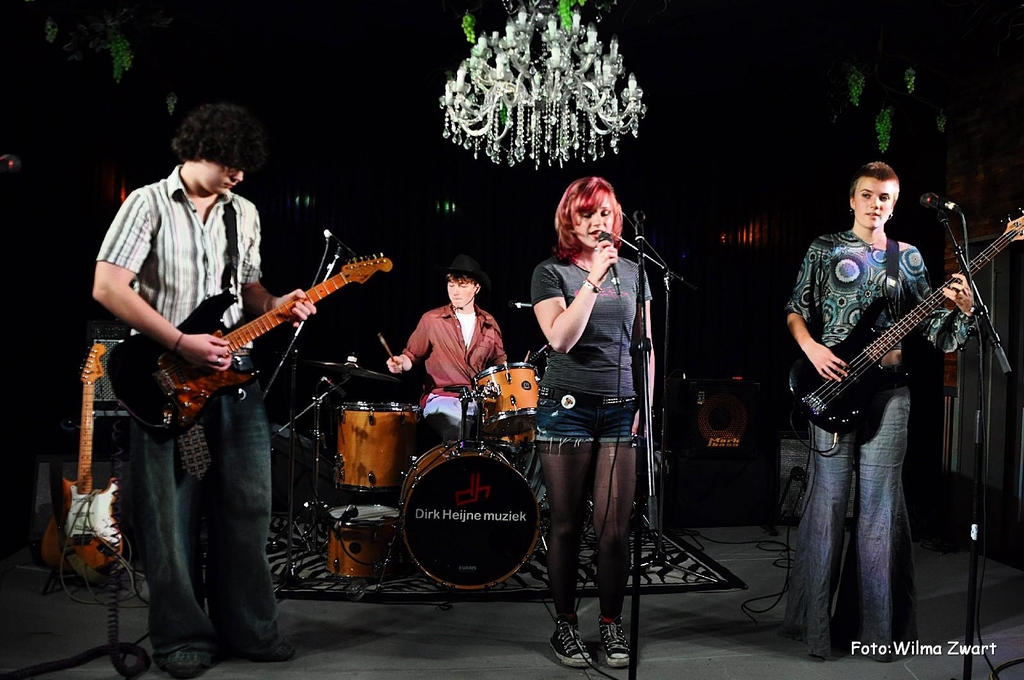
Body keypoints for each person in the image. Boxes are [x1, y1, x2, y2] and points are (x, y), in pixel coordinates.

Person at [92, 102, 314, 679]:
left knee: (249, 505)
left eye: (245, 166)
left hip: (234, 376)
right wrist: (180, 341)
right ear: (197, 150)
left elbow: (248, 290)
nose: (238, 174)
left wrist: (278, 303)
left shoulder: (246, 213)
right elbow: (108, 286)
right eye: (228, 163)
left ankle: (251, 630)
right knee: (171, 515)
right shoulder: (146, 204)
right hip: (164, 376)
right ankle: (182, 638)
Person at [780, 161, 975, 660]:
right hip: (833, 387)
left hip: (891, 393)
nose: (875, 204)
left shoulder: (907, 258)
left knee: (880, 511)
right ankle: (815, 629)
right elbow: (796, 307)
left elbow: (934, 333)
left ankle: (877, 633)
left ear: (894, 204)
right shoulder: (824, 249)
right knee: (828, 504)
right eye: (867, 194)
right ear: (852, 199)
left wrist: (960, 312)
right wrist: (811, 348)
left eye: (884, 197)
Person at [530, 176, 654, 669]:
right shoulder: (550, 273)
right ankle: (564, 623)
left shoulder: (635, 272)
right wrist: (594, 280)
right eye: (586, 214)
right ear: (569, 219)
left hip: (621, 407)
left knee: (614, 529)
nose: (597, 222)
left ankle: (610, 621)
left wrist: (645, 404)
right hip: (567, 407)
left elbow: (645, 346)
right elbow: (561, 338)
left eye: (605, 213)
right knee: (566, 524)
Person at [385, 254, 507, 442]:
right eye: (451, 285)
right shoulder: (432, 320)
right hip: (443, 397)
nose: (455, 292)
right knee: (458, 428)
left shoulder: (489, 323)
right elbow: (411, 356)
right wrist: (400, 363)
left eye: (462, 286)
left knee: (509, 432)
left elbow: (500, 366)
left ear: (476, 288)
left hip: (479, 400)